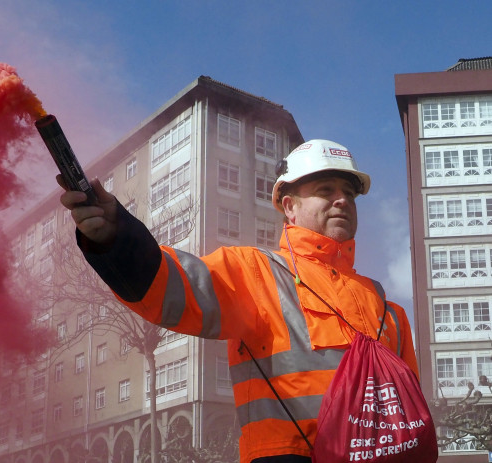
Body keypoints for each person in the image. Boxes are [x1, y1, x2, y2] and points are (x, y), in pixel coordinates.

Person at [58, 139, 418, 463]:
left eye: (349, 194)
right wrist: (115, 238)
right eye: (326, 190)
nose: (342, 200)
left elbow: (410, 411)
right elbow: (170, 287)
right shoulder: (255, 272)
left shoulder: (389, 308)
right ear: (289, 207)